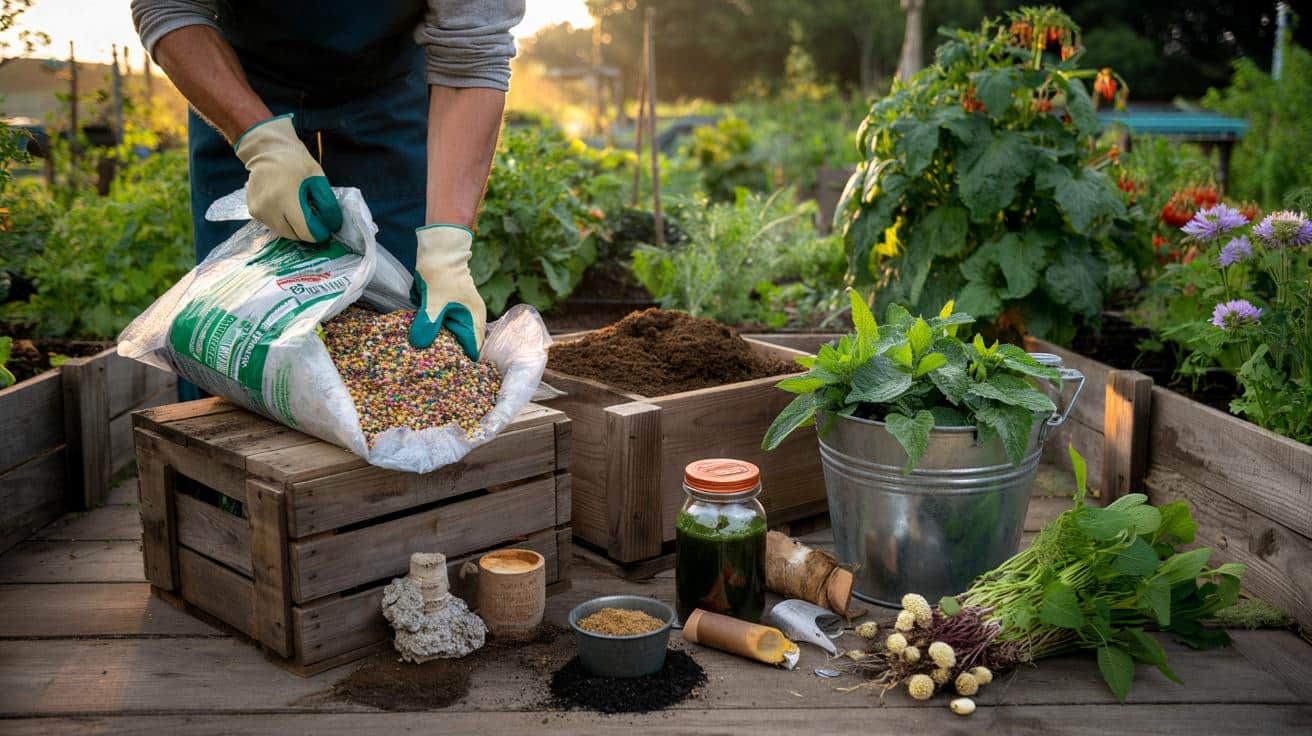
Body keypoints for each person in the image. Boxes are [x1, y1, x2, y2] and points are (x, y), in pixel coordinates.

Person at [131, 0, 525, 360]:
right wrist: (261, 144)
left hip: (387, 86)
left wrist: (447, 252)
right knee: (236, 333)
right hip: (235, 77)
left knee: (404, 323)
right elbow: (168, 6)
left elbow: (473, 54)